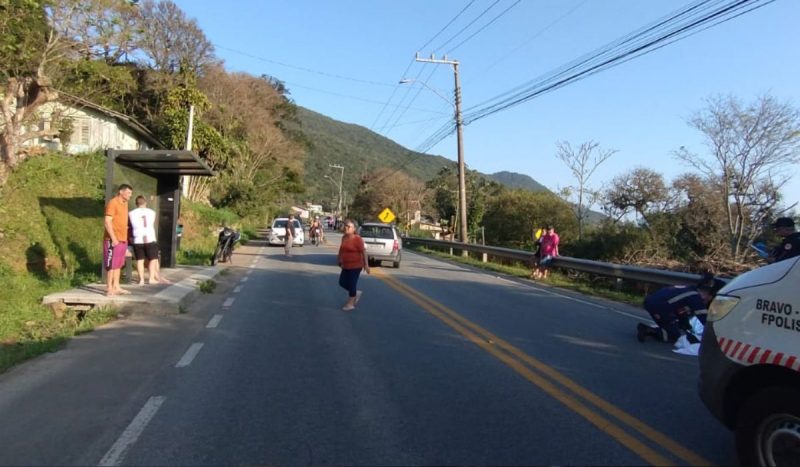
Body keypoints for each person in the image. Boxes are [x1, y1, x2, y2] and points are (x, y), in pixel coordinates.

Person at [636, 273, 725, 344]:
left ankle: (665, 327)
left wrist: (685, 325)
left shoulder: (689, 289)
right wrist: (716, 334)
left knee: (675, 323)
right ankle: (648, 330)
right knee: (674, 336)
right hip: (659, 307)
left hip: (654, 302)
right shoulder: (695, 297)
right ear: (710, 294)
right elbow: (704, 318)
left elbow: (680, 310)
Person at [129, 195, 169, 285]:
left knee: (140, 260)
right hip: (150, 237)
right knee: (153, 259)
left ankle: (141, 280)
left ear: (136, 204)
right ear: (145, 203)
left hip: (138, 238)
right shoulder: (152, 212)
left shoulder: (131, 213)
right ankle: (151, 278)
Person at [103, 184, 133, 296]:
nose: (130, 195)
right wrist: (113, 238)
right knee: (111, 264)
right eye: (128, 192)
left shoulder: (125, 204)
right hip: (113, 239)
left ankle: (116, 286)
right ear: (121, 192)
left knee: (119, 263)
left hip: (122, 238)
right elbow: (107, 221)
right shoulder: (113, 203)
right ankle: (109, 288)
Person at [337, 219, 370, 311]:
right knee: (342, 282)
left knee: (352, 284)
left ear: (354, 229)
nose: (346, 228)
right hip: (346, 265)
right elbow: (341, 249)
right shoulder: (344, 237)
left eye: (349, 227)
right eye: (345, 226)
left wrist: (366, 265)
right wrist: (339, 258)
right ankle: (355, 293)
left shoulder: (357, 239)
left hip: (356, 266)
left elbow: (364, 252)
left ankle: (350, 304)